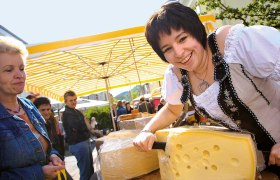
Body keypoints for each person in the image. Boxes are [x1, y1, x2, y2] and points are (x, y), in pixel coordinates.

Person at [133, 2, 280, 176]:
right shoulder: (177, 75)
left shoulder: (231, 43)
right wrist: (147, 131)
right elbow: (173, 110)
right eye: (168, 49)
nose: (179, 52)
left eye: (182, 39)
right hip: (262, 163)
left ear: (197, 32)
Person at [0, 36, 64, 179]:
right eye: (9, 70)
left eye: (22, 68)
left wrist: (53, 155)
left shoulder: (29, 106)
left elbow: (43, 147)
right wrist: (39, 173)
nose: (19, 75)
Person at [62, 90, 94, 180]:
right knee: (85, 171)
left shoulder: (77, 111)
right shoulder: (66, 114)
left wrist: (91, 130)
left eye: (75, 99)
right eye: (71, 100)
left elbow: (85, 123)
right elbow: (78, 127)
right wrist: (88, 126)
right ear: (65, 102)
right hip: (78, 144)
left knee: (90, 169)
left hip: (85, 141)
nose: (73, 102)